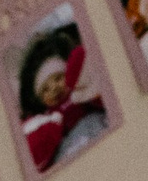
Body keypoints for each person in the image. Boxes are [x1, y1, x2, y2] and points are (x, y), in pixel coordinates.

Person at [18, 28, 111, 173]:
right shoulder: (47, 117)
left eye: (57, 78)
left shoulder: (79, 90)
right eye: (45, 90)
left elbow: (101, 99)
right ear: (40, 101)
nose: (54, 88)